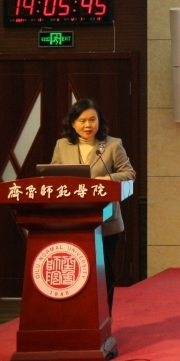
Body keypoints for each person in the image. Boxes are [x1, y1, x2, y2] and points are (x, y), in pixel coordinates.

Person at [52, 98, 135, 313]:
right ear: (72, 123)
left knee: (103, 272)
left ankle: (104, 318)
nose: (88, 125)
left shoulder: (112, 144)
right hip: (73, 220)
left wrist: (108, 179)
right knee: (78, 271)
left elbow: (129, 173)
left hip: (105, 219)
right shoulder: (62, 145)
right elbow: (53, 176)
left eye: (92, 120)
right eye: (82, 121)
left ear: (99, 121)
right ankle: (79, 317)